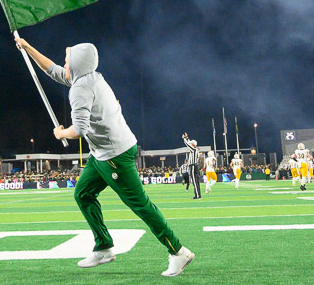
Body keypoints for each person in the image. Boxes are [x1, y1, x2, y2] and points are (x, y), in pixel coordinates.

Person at [16, 37, 194, 277]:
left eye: (67, 61)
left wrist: (60, 133)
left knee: (140, 205)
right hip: (102, 153)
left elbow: (78, 129)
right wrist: (28, 48)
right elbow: (53, 71)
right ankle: (104, 247)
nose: (64, 64)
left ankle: (178, 251)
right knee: (83, 193)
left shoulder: (80, 88)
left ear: (78, 65)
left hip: (114, 156)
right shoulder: (90, 77)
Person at [182, 134, 202, 200]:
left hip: (193, 166)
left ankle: (197, 195)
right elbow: (189, 143)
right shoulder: (195, 150)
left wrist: (184, 139)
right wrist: (187, 137)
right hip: (194, 166)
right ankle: (198, 194)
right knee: (196, 181)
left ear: (193, 144)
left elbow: (187, 145)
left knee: (195, 181)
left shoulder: (193, 150)